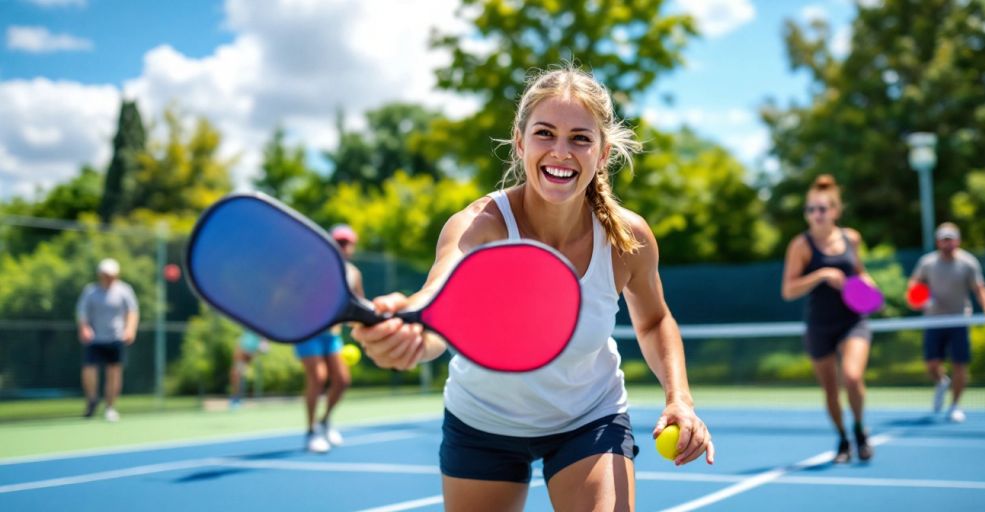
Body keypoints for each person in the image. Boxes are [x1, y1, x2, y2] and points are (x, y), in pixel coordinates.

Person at [351, 66, 713, 510]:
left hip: (589, 418)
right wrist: (404, 330)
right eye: (545, 133)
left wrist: (680, 398)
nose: (561, 152)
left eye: (580, 138)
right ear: (520, 142)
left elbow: (655, 320)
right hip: (482, 424)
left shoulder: (626, 239)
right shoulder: (478, 227)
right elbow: (432, 311)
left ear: (602, 154)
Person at [781, 175, 875, 463]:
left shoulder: (852, 238)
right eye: (810, 210)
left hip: (852, 321)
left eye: (821, 209)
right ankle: (843, 439)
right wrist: (821, 275)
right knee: (831, 391)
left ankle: (860, 429)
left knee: (852, 376)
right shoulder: (801, 245)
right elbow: (788, 290)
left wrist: (869, 288)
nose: (816, 215)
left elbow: (859, 272)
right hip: (819, 325)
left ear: (834, 211)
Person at [906, 222, 985, 423]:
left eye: (951, 239)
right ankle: (941, 382)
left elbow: (980, 288)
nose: (947, 243)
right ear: (938, 242)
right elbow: (914, 284)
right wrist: (918, 297)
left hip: (959, 320)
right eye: (944, 240)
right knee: (931, 365)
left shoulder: (968, 263)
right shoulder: (927, 263)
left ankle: (955, 405)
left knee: (959, 364)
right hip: (933, 321)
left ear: (957, 241)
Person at [294, 224, 363, 453]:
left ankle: (325, 422)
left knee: (342, 380)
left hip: (331, 334)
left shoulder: (354, 274)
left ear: (352, 246)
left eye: (347, 243)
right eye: (339, 242)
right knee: (318, 377)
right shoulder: (317, 267)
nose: (343, 247)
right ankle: (311, 431)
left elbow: (358, 304)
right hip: (308, 331)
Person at [76, 258, 139, 422]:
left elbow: (132, 311)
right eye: (105, 274)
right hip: (95, 339)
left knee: (114, 373)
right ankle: (92, 400)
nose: (108, 277)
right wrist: (84, 328)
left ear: (116, 275)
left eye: (111, 275)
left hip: (116, 338)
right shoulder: (90, 291)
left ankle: (110, 407)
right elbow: (82, 312)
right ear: (100, 275)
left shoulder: (124, 290)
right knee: (88, 370)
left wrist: (130, 329)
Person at [229, 330, 268, 409]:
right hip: (245, 347)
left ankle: (236, 399)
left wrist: (260, 349)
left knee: (236, 374)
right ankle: (236, 399)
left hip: (247, 349)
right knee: (237, 374)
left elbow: (264, 345)